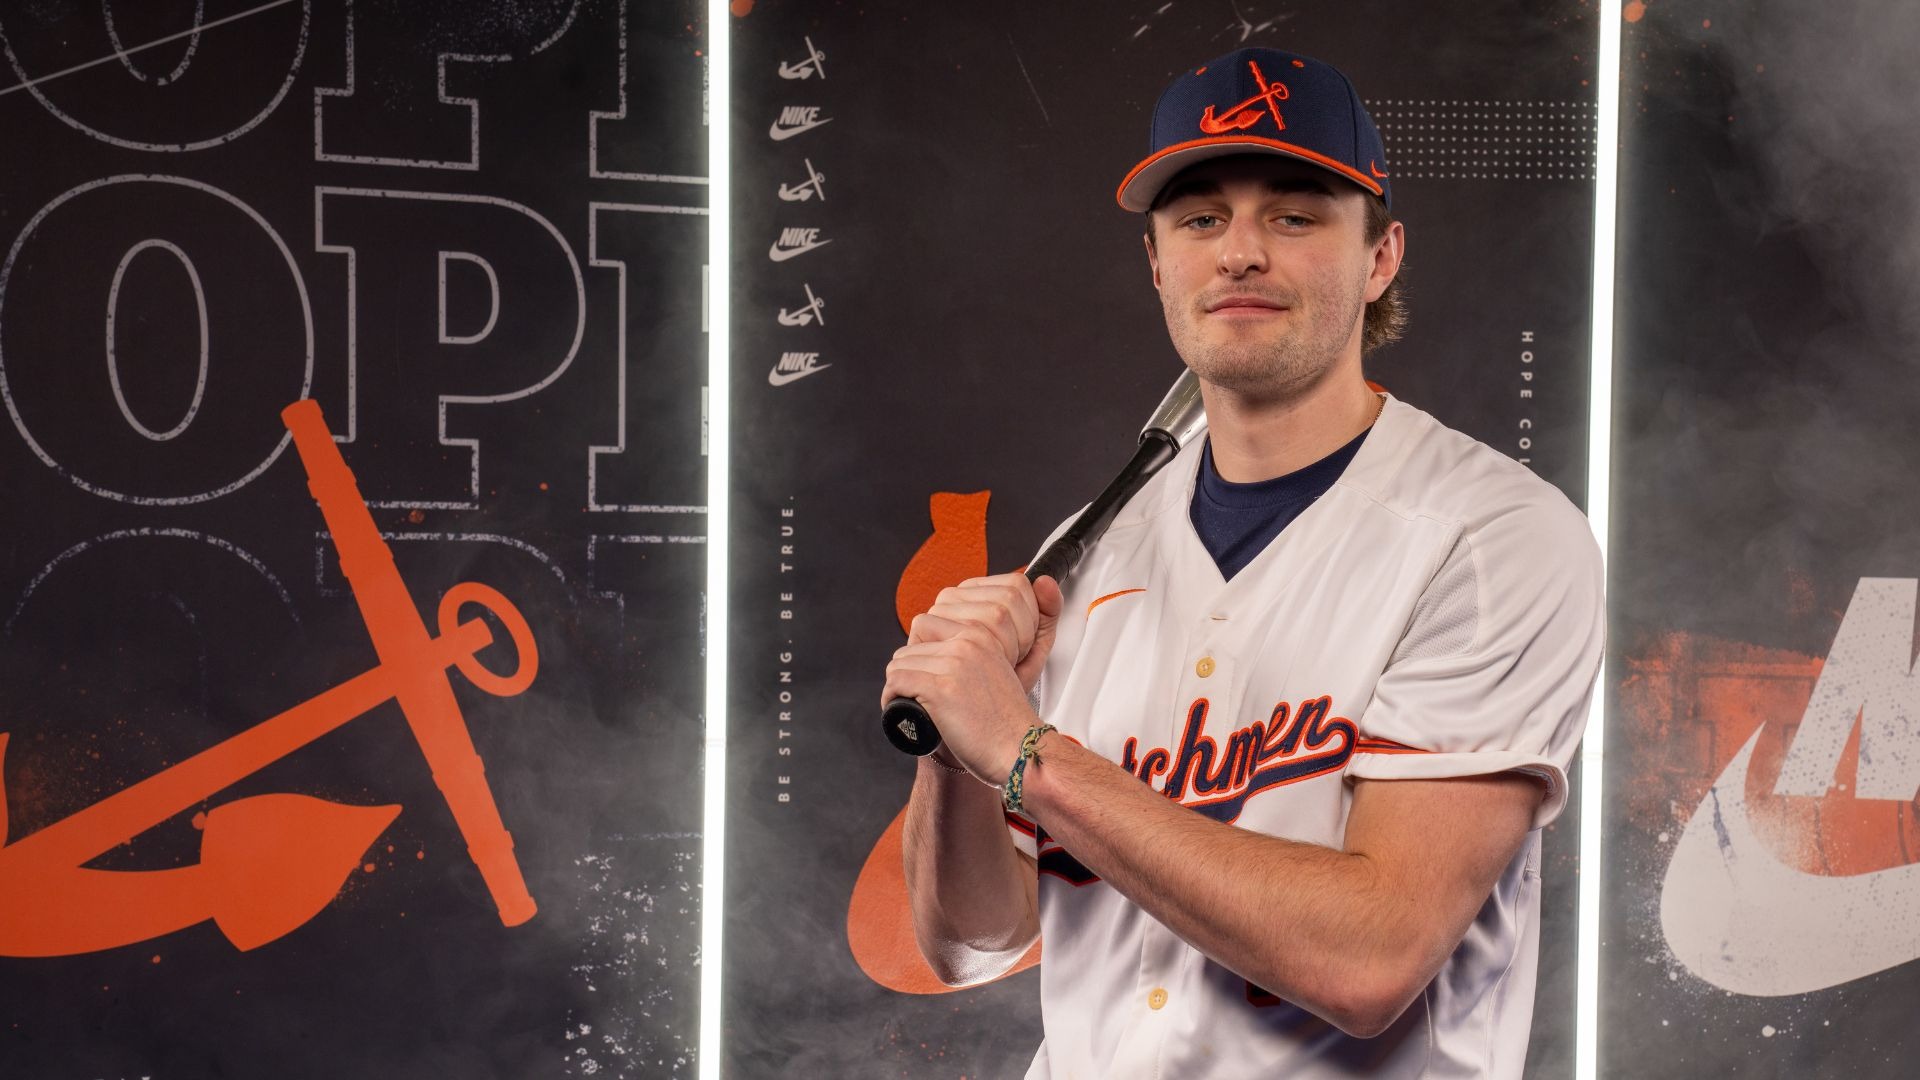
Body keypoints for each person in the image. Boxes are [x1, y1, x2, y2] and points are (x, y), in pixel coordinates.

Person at [881, 47, 1604, 1078]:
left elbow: (1372, 956)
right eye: (1201, 218)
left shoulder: (1491, 538)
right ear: (1159, 262)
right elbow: (971, 945)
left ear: (1382, 256)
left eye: (1296, 214)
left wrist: (1029, 753)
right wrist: (955, 748)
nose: (1241, 254)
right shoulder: (1088, 550)